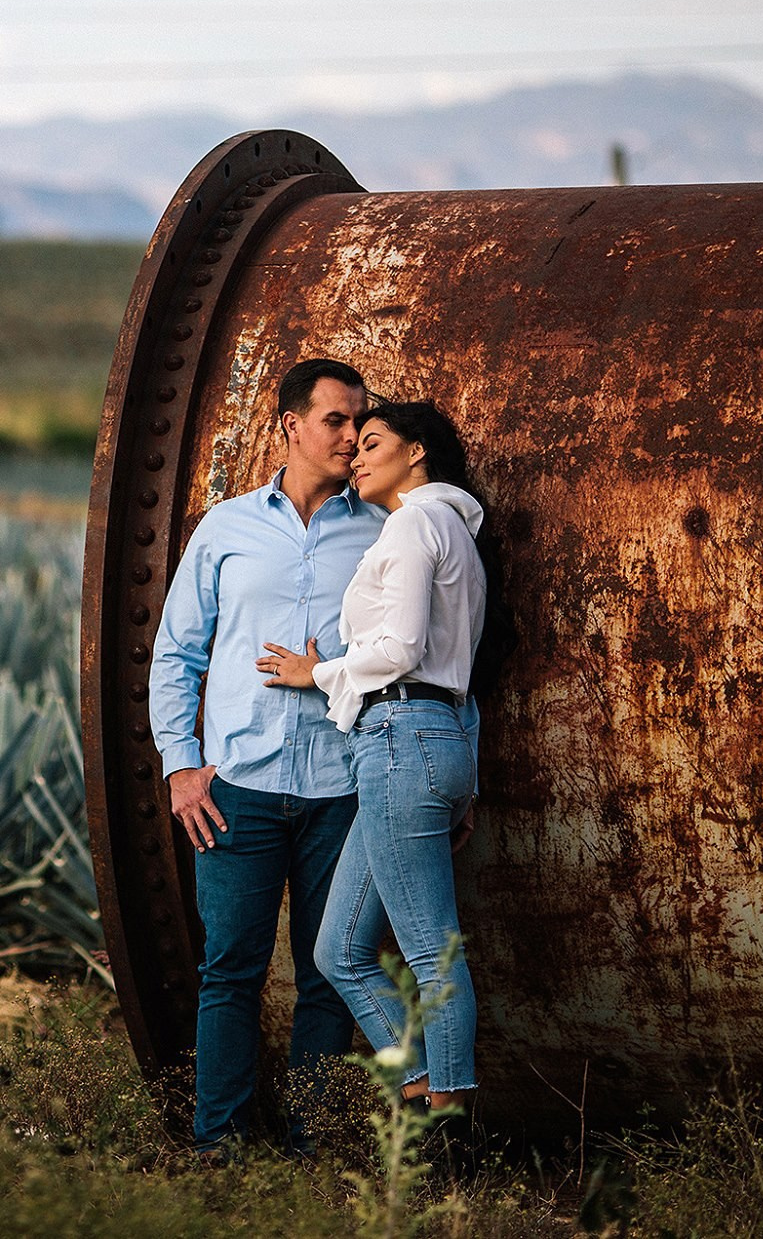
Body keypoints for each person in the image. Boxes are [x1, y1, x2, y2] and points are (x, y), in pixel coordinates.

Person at [149, 358, 388, 1157]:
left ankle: (312, 1146)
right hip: (238, 790)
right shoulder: (226, 529)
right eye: (335, 420)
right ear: (291, 424)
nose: (351, 436)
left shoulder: (381, 531)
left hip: (342, 788)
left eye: (360, 421)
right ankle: (218, 1142)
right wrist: (181, 766)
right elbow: (177, 652)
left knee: (330, 971)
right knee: (231, 969)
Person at [253, 400, 488, 1152]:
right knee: (339, 952)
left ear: (417, 452)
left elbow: (403, 647)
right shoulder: (455, 531)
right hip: (429, 740)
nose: (356, 456)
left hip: (400, 741)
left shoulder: (416, 525)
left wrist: (317, 671)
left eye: (373, 442)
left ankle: (448, 1131)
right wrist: (465, 779)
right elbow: (463, 676)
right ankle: (420, 1088)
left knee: (430, 950)